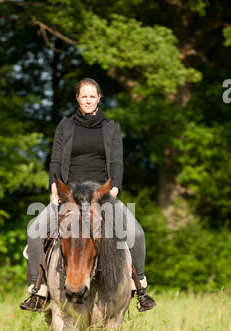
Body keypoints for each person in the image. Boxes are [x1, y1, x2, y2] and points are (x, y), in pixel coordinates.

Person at [20, 78, 156, 312]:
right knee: (34, 231)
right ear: (78, 99)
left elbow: (117, 163)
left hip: (101, 193)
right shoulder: (65, 126)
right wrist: (55, 190)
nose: (88, 100)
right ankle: (38, 292)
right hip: (70, 193)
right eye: (84, 96)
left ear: (99, 98)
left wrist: (112, 192)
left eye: (92, 96)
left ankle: (139, 287)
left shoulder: (111, 127)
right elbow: (55, 159)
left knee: (137, 233)